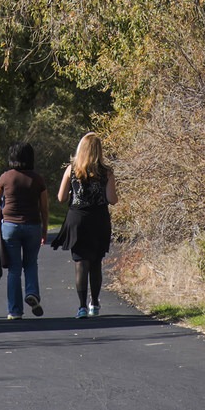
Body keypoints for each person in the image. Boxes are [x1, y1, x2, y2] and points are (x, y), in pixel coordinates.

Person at [51, 131, 116, 318]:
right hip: (99, 220)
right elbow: (112, 200)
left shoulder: (71, 170)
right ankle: (94, 303)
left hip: (77, 219)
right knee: (95, 263)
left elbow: (61, 197)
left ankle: (81, 307)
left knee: (80, 262)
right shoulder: (106, 172)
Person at [0, 141, 49, 320]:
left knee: (14, 269)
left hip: (10, 227)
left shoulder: (5, 177)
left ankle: (14, 311)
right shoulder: (38, 179)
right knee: (31, 263)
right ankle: (31, 293)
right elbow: (44, 208)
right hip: (32, 226)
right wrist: (45, 230)